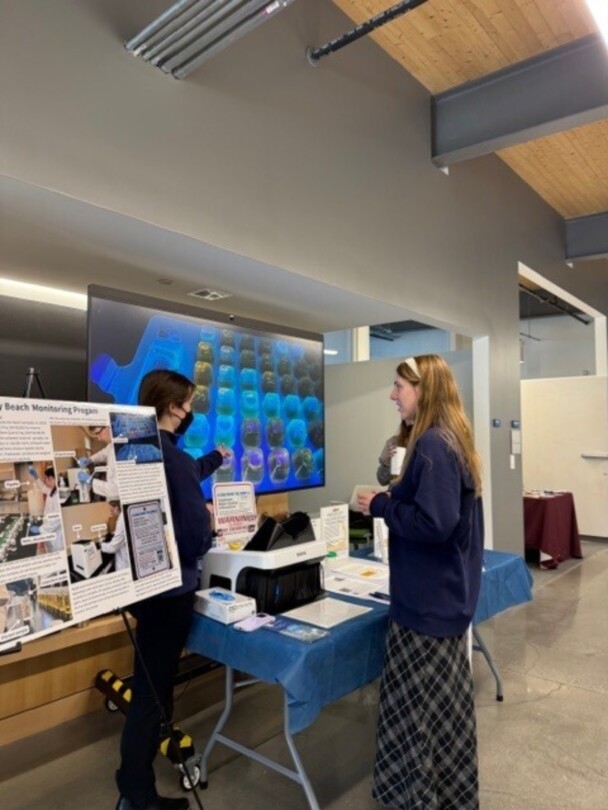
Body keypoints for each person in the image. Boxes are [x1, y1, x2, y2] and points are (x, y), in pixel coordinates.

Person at [358, 354, 483, 810]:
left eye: (399, 387)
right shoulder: (452, 440)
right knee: (446, 719)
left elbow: (434, 523)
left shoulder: (431, 445)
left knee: (415, 722)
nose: (393, 395)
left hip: (424, 607)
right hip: (446, 602)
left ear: (423, 389)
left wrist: (381, 506)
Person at [115, 369, 230, 810]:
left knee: (150, 687)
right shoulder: (175, 461)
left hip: (143, 589)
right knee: (151, 694)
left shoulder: (137, 449)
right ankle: (136, 794)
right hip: (171, 593)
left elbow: (186, 472)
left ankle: (133, 783)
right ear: (173, 407)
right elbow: (194, 533)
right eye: (188, 404)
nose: (190, 412)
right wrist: (210, 527)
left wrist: (214, 459)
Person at [27, 465, 64, 553]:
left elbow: (57, 519)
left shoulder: (59, 495)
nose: (44, 480)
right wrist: (35, 476)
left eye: (45, 478)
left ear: (51, 478)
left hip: (56, 538)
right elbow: (43, 487)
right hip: (50, 534)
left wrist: (40, 529)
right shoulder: (52, 490)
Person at [376, 420, 413, 486]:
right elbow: (382, 480)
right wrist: (386, 462)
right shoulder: (395, 442)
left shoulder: (427, 442)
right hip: (397, 492)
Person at [101, 500, 129, 572]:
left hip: (124, 564)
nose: (110, 512)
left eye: (111, 510)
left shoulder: (121, 520)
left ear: (117, 508)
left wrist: (101, 546)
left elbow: (113, 547)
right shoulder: (122, 517)